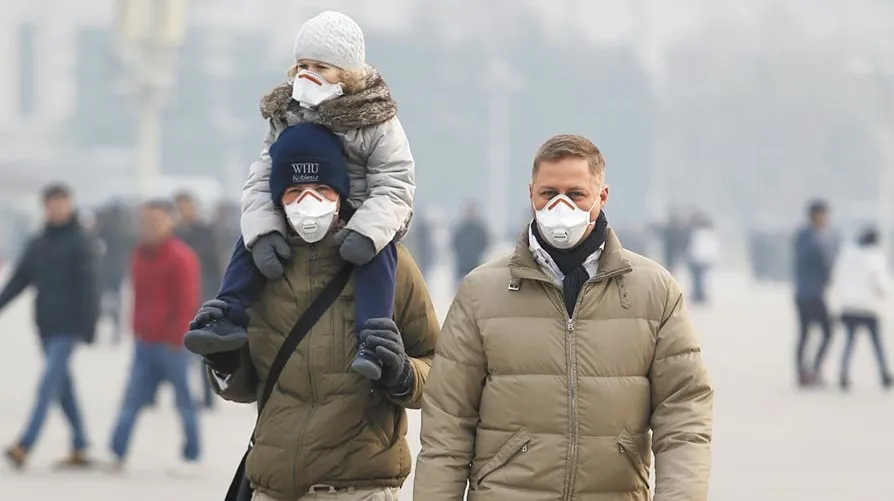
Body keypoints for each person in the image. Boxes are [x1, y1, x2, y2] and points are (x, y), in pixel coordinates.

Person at [414, 134, 714, 501]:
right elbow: (447, 423)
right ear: (531, 195)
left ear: (602, 196)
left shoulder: (654, 290)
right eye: (548, 194)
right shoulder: (481, 292)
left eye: (575, 194)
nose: (560, 206)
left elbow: (684, 413)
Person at [190, 123, 439, 500]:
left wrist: (403, 374)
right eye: (295, 191)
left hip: (359, 489)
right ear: (278, 199)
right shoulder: (258, 273)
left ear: (342, 194)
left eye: (322, 189)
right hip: (273, 488)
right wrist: (224, 363)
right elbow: (244, 389)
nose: (309, 201)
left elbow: (440, 370)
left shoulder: (390, 267)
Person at [198, 10, 415, 382]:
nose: (308, 75)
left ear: (346, 74)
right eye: (302, 65)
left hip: (355, 215)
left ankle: (373, 339)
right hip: (293, 207)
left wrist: (367, 230)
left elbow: (395, 182)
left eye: (320, 67)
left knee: (381, 256)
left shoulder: (376, 119)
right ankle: (225, 314)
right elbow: (263, 176)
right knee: (247, 240)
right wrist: (263, 230)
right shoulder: (285, 114)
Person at [1, 184, 99, 469]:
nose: (56, 208)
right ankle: (80, 444)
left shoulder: (80, 242)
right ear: (45, 207)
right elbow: (19, 280)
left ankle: (24, 444)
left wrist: (89, 326)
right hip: (45, 325)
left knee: (46, 386)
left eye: (61, 202)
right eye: (51, 203)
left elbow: (89, 288)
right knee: (62, 388)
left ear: (70, 204)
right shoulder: (38, 243)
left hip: (69, 328)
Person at [108, 200, 201, 475]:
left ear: (169, 223)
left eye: (156, 221)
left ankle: (192, 453)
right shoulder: (138, 254)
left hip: (172, 344)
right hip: (144, 340)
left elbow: (187, 302)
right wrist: (136, 327)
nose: (149, 227)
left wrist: (176, 337)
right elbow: (138, 295)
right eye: (145, 221)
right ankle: (116, 451)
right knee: (132, 398)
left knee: (184, 400)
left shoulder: (181, 257)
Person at [174, 191, 223, 409]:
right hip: (181, 301)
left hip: (203, 298)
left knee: (204, 351)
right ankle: (181, 395)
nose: (184, 211)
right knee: (179, 351)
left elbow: (217, 264)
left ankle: (208, 395)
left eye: (187, 206)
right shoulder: (175, 233)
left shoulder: (206, 232)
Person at [832, 227, 893, 390]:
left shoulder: (847, 255)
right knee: (877, 344)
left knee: (849, 343)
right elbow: (880, 283)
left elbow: (837, 278)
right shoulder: (875, 257)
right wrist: (886, 293)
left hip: (849, 306)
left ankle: (843, 374)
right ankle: (884, 374)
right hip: (868, 307)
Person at [793, 200, 839, 387]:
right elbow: (813, 259)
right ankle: (804, 373)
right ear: (815, 215)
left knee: (826, 332)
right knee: (807, 333)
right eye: (823, 215)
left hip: (817, 293)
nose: (826, 219)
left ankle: (812, 370)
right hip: (807, 293)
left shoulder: (825, 236)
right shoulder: (805, 236)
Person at [451, 201, 490, 287]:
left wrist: (477, 253)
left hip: (475, 262)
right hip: (462, 263)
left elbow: (484, 242)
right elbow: (454, 243)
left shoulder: (479, 229)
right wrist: (461, 254)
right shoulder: (460, 229)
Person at [686, 213, 719, 305]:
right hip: (703, 259)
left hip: (696, 258)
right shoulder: (709, 233)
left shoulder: (695, 233)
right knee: (701, 278)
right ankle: (700, 295)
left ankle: (698, 295)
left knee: (697, 278)